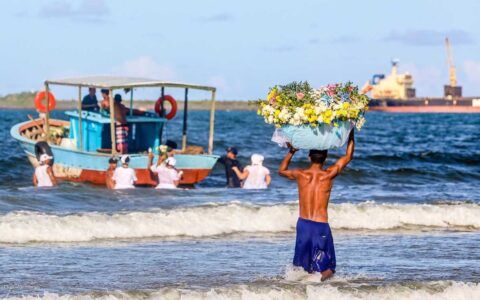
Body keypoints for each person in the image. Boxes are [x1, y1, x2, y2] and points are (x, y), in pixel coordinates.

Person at [279, 130, 355, 281]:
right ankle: (317, 283)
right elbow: (348, 156)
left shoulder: (300, 174)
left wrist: (292, 151)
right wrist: (350, 132)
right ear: (325, 158)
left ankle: (301, 289)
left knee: (302, 266)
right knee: (329, 268)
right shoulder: (328, 175)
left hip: (303, 224)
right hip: (320, 225)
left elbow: (281, 171)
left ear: (309, 157)